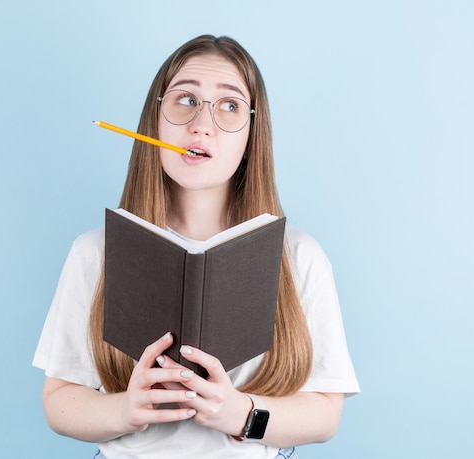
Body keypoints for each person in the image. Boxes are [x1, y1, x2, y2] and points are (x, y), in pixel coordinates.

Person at [33, 34, 359, 459]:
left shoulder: (299, 257)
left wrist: (239, 413)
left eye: (229, 105)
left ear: (250, 138)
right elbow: (59, 402)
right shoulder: (95, 251)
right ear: (155, 121)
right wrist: (127, 410)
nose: (202, 124)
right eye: (185, 99)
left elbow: (325, 414)